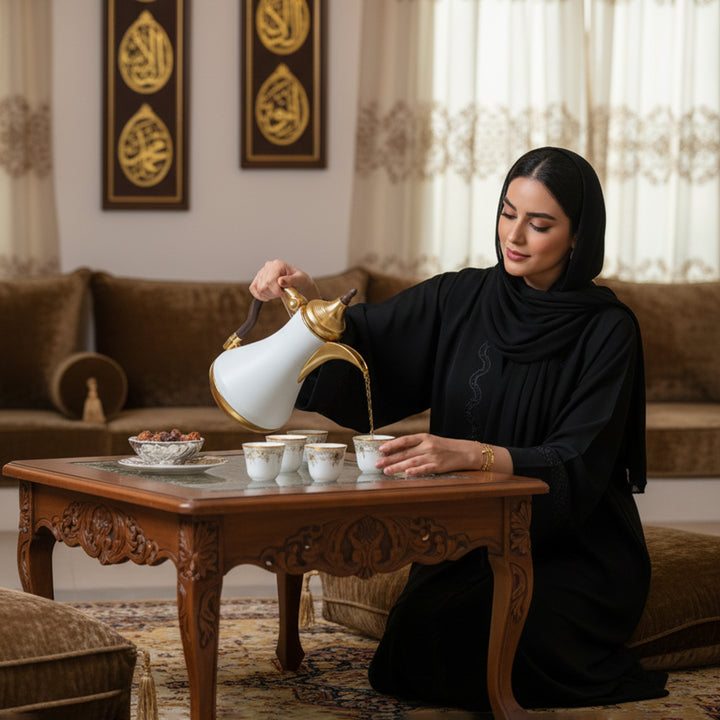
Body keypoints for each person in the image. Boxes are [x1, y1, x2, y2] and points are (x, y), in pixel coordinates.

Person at [249, 147, 669, 710]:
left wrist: (476, 455)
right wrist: (307, 300)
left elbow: (580, 461)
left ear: (577, 236)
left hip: (577, 547)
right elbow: (370, 341)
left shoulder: (609, 330)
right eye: (507, 212)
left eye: (539, 223)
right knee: (409, 651)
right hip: (471, 537)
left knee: (488, 643)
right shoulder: (463, 296)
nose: (514, 235)